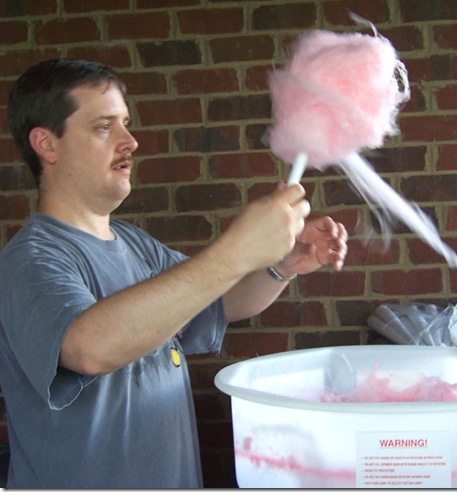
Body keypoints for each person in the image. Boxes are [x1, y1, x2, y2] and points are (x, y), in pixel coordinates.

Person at [0, 58, 348, 488]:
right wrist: (235, 251)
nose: (130, 141)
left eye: (126, 124)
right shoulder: (31, 259)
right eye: (104, 127)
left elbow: (220, 299)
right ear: (47, 145)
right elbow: (89, 349)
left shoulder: (134, 244)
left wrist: (281, 265)